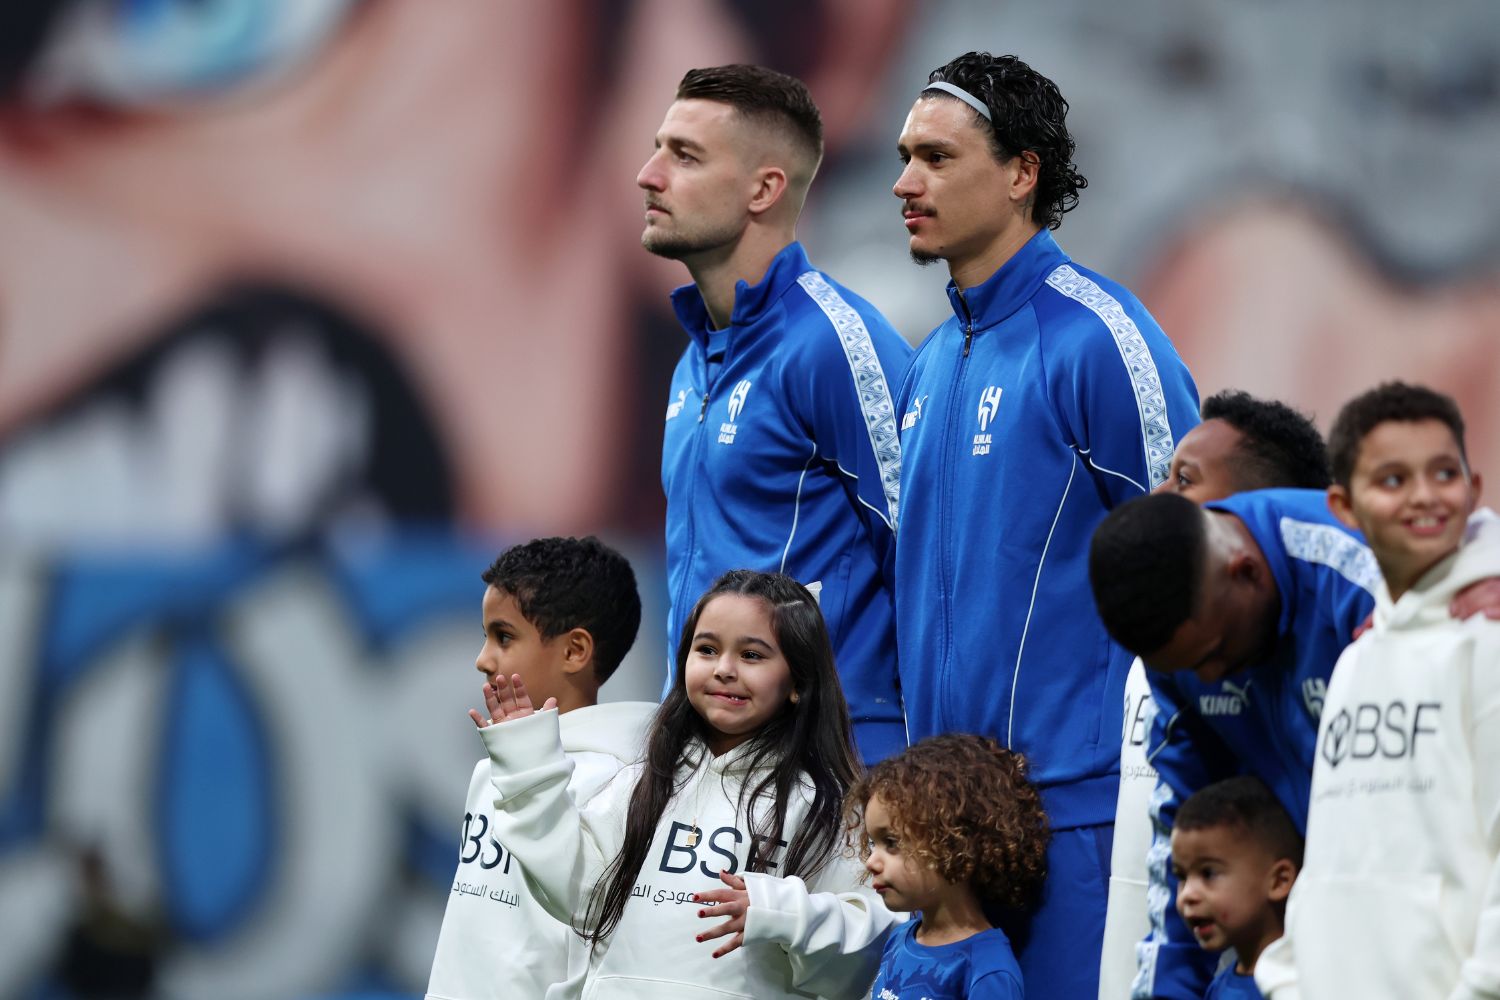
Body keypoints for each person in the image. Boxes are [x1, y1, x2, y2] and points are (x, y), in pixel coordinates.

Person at [888, 50, 1200, 997]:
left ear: (1022, 172)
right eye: (904, 158)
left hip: (1077, 822)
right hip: (943, 835)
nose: (905, 183)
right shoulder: (929, 362)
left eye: (937, 158)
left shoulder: (1099, 338)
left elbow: (1196, 560)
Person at [641, 65, 913, 767]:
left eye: (685, 156)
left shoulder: (836, 345)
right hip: (703, 757)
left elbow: (927, 556)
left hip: (828, 765)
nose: (648, 175)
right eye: (658, 149)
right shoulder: (694, 357)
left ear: (763, 190)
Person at [471, 571, 900, 1000]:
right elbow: (577, 894)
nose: (724, 669)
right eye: (707, 649)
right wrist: (528, 767)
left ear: (798, 682)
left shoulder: (827, 806)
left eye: (751, 655)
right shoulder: (641, 782)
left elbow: (862, 955)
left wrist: (783, 912)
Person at [1255, 383, 1500, 999]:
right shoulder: (1355, 661)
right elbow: (1333, 850)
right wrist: (1289, 980)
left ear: (1474, 489)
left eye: (1444, 473)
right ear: (1344, 506)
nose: (1424, 495)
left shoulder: (1486, 639)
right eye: (1393, 479)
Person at [1100, 392, 1330, 1000]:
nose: (1158, 497)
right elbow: (1179, 843)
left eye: (1185, 479)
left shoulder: (1359, 584)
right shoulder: (1177, 646)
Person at [426, 537, 654, 1000]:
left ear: (575, 651)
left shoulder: (625, 785)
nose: (482, 659)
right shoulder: (490, 771)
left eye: (504, 636)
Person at [851, 733, 1050, 1000]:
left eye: (892, 842)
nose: (871, 861)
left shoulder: (985, 970)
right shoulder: (898, 940)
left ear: (953, 842)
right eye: (872, 843)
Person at [1170, 778, 1300, 1000]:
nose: (1187, 895)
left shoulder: (1302, 988)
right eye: (1181, 877)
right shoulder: (1219, 987)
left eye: (1209, 873)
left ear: (1279, 880)